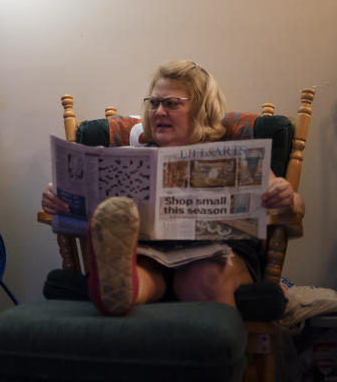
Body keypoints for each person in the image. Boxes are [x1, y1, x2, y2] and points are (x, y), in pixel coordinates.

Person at [41, 60, 303, 316]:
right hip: (151, 252)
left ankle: (208, 348)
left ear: (201, 110)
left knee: (199, 277)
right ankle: (120, 291)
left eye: (171, 104)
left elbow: (295, 211)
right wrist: (60, 195)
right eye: (153, 103)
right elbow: (79, 196)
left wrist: (286, 196)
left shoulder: (237, 157)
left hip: (220, 253)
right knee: (139, 273)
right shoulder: (129, 157)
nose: (159, 112)